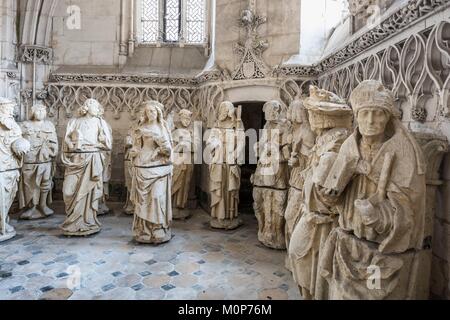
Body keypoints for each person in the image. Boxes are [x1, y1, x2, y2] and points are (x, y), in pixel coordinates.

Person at [318, 80, 427, 300]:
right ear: (356, 116)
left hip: (379, 252)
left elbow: (410, 206)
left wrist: (378, 215)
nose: (370, 121)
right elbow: (332, 198)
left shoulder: (402, 152)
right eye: (365, 113)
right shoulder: (349, 146)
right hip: (348, 240)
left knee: (372, 295)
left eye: (378, 113)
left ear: (388, 117)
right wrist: (331, 195)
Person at [288, 86, 353, 300]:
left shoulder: (337, 142)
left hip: (323, 219)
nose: (310, 117)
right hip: (312, 213)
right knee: (300, 256)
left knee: (305, 257)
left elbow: (328, 185)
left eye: (314, 113)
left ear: (326, 117)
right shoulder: (325, 139)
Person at [61, 98, 112, 236]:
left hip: (92, 159)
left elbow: (107, 144)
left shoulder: (100, 122)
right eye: (95, 106)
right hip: (76, 159)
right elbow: (66, 139)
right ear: (87, 107)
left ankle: (87, 221)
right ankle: (72, 221)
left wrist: (94, 145)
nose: (98, 109)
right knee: (68, 191)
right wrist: (71, 145)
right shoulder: (75, 121)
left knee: (89, 191)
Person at [129, 101, 173, 244]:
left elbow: (168, 149)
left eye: (153, 111)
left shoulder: (163, 127)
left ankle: (158, 227)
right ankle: (144, 229)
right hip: (142, 165)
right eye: (148, 112)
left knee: (157, 197)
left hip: (159, 168)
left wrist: (159, 151)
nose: (150, 114)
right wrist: (134, 152)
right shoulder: (141, 128)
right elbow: (136, 147)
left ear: (158, 113)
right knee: (142, 201)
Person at [207, 101, 245, 230]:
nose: (223, 111)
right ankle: (219, 215)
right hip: (218, 162)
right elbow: (209, 141)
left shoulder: (237, 124)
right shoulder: (216, 125)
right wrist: (215, 142)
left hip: (230, 162)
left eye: (225, 109)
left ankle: (230, 216)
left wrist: (235, 153)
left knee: (230, 190)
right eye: (221, 109)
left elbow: (241, 142)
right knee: (219, 188)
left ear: (230, 111)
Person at [19, 103, 58, 220]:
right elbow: (17, 140)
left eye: (43, 110)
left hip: (45, 159)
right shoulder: (25, 125)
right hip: (30, 160)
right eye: (38, 110)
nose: (40, 113)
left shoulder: (49, 125)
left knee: (45, 182)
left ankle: (43, 204)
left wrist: (53, 151)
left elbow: (55, 141)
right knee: (30, 184)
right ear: (32, 112)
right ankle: (32, 207)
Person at [0, 98, 31, 242]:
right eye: (8, 108)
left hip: (10, 167)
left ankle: (3, 221)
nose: (11, 111)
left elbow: (18, 144)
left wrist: (22, 146)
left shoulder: (13, 126)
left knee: (8, 196)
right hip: (3, 168)